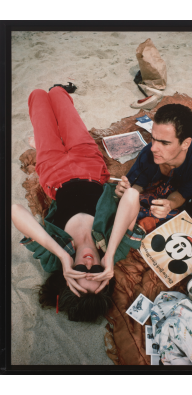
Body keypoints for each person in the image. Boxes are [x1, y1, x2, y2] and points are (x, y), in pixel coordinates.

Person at [12, 87, 145, 322]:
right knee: (58, 96)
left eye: (80, 270)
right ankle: (59, 92)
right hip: (89, 165)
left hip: (53, 172)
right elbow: (132, 197)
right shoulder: (113, 252)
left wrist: (63, 257)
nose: (88, 262)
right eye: (95, 271)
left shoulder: (56, 258)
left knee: (37, 97)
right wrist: (110, 253)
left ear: (67, 275)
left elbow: (14, 211)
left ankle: (42, 135)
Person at [115, 104, 192, 230]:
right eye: (153, 138)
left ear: (185, 144)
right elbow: (136, 185)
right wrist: (126, 191)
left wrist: (170, 204)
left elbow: (183, 194)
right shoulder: (148, 153)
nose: (153, 148)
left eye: (164, 143)